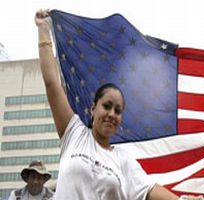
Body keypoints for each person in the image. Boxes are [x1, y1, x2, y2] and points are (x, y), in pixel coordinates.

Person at [34, 9, 181, 200]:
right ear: (93, 109)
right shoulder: (74, 133)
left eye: (118, 111)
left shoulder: (123, 160)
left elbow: (149, 189)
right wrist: (43, 30)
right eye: (107, 106)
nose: (112, 113)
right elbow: (52, 84)